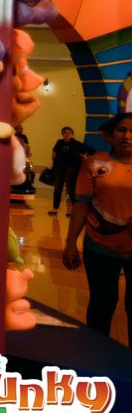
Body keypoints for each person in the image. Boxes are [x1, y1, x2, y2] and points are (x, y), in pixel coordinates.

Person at [62, 113, 132, 338]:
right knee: (102, 305)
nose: (127, 136)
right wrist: (70, 243)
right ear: (111, 134)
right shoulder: (94, 163)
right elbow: (81, 205)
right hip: (99, 247)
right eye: (121, 130)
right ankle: (96, 354)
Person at [50, 126, 93, 215]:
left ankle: (74, 209)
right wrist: (54, 160)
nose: (67, 134)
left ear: (72, 134)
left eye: (69, 133)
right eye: (65, 133)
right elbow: (54, 153)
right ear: (62, 134)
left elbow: (90, 150)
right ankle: (55, 208)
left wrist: (84, 157)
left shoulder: (76, 143)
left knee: (70, 188)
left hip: (71, 168)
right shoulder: (59, 142)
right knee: (57, 188)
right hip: (59, 167)